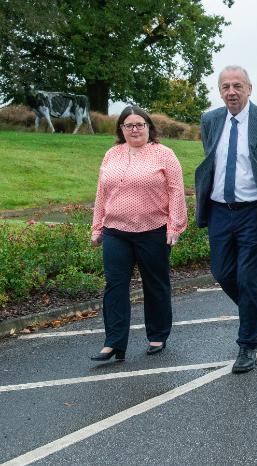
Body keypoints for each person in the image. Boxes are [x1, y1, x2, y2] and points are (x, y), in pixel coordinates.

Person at [194, 65, 257, 373]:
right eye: (225, 87)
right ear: (219, 91)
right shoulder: (210, 120)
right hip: (220, 210)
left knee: (249, 280)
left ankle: (247, 345)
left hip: (254, 213)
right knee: (222, 273)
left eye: (237, 86)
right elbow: (212, 161)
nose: (231, 92)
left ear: (249, 88)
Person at [90, 106, 187, 361]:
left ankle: (157, 335)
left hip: (153, 230)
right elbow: (102, 192)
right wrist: (97, 226)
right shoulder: (111, 154)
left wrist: (175, 226)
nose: (134, 129)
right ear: (121, 129)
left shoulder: (163, 154)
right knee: (115, 285)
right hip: (115, 232)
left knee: (155, 284)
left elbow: (176, 190)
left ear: (148, 127)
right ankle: (114, 342)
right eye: (128, 125)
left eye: (139, 124)